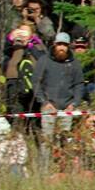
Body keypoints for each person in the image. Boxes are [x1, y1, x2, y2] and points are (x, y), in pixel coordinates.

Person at [32, 31, 83, 171]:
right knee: (47, 141)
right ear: (54, 45)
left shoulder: (74, 63)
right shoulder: (44, 60)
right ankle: (44, 171)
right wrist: (44, 102)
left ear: (68, 46)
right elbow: (36, 82)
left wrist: (74, 103)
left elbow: (79, 84)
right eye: (59, 44)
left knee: (65, 140)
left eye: (64, 45)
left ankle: (63, 169)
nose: (62, 48)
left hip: (67, 108)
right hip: (49, 107)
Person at [2, 22, 45, 118]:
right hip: (15, 79)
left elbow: (42, 58)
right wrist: (10, 39)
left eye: (26, 32)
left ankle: (32, 129)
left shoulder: (37, 44)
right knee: (14, 108)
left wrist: (30, 46)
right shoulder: (13, 45)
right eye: (21, 31)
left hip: (33, 81)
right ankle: (16, 129)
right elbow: (5, 51)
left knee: (33, 108)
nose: (23, 34)